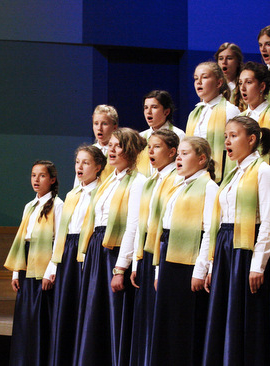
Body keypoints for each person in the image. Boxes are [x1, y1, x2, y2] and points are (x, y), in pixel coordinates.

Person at [203, 116, 270, 365]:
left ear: (252, 139)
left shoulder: (264, 172)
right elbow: (221, 220)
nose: (227, 141)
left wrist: (258, 264)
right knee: (224, 315)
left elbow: (269, 221)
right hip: (227, 248)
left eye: (233, 135)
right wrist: (212, 265)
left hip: (246, 251)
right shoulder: (231, 175)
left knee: (245, 317)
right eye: (225, 136)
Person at [74, 127, 147, 366]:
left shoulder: (138, 182)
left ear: (131, 150)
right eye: (111, 145)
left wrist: (120, 267)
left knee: (113, 315)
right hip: (98, 250)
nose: (112, 150)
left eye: (118, 146)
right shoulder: (107, 181)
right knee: (93, 315)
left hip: (114, 254)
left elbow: (133, 226)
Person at [149, 136, 218, 366]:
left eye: (185, 154)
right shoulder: (178, 186)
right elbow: (163, 229)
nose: (179, 158)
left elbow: (210, 231)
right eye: (178, 153)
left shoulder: (208, 187)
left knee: (185, 325)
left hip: (188, 264)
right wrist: (159, 271)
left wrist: (200, 269)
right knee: (168, 324)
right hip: (170, 258)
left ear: (201, 159)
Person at [43, 146, 105, 366]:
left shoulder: (102, 191)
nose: (80, 166)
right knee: (66, 307)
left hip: (86, 250)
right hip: (68, 251)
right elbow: (62, 232)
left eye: (86, 162)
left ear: (98, 167)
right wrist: (52, 266)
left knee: (83, 307)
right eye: (78, 162)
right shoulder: (71, 195)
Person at [4, 160, 63, 366]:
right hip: (26, 264)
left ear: (52, 179)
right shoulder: (29, 206)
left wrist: (51, 270)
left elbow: (59, 241)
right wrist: (15, 272)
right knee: (25, 319)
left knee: (39, 318)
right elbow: (21, 239)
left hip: (43, 268)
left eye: (42, 176)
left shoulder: (58, 205)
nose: (36, 180)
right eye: (33, 175)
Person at [129, 129, 180, 366]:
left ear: (172, 152)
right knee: (146, 315)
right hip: (147, 253)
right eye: (149, 147)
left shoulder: (177, 180)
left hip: (163, 251)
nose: (151, 151)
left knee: (161, 316)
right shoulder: (151, 181)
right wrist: (137, 260)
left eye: (157, 147)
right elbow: (142, 222)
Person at [186, 61, 241, 182]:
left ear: (219, 83)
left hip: (219, 175)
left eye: (204, 77)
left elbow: (238, 148)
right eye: (196, 78)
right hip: (195, 174)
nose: (199, 82)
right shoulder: (194, 113)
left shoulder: (230, 110)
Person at [137, 90, 185, 176]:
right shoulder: (140, 137)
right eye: (146, 107)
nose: (148, 111)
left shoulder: (178, 135)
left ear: (166, 112)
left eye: (154, 107)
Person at [238, 61, 270, 136]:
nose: (242, 88)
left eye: (248, 82)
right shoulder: (239, 118)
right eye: (240, 83)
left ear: (262, 86)